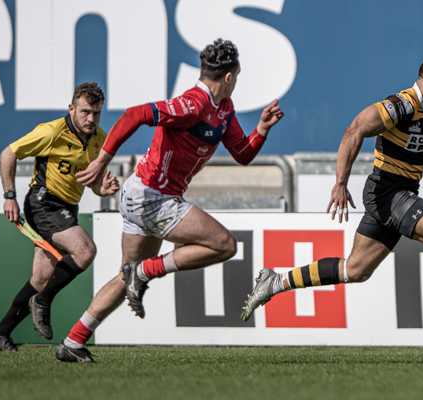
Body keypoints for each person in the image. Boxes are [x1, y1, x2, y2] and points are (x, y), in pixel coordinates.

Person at [54, 38, 284, 362]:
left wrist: (261, 129)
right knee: (224, 245)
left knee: (126, 275)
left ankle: (73, 341)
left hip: (146, 195)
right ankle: (145, 271)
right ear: (229, 77)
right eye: (238, 76)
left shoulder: (224, 108)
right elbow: (135, 115)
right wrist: (102, 160)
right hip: (152, 196)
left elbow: (242, 154)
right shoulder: (194, 104)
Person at [242, 57, 423, 348]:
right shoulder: (401, 106)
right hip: (387, 193)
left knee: (355, 270)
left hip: (401, 193)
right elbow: (354, 129)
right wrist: (340, 183)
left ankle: (275, 282)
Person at [0, 82, 119, 352]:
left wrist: (102, 188)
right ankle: (43, 301)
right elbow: (8, 153)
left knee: (40, 280)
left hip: (66, 209)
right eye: (85, 112)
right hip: (43, 204)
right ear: (71, 108)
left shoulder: (100, 139)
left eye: (96, 113)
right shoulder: (51, 131)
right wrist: (9, 195)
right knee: (85, 251)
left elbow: (93, 183)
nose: (91, 119)